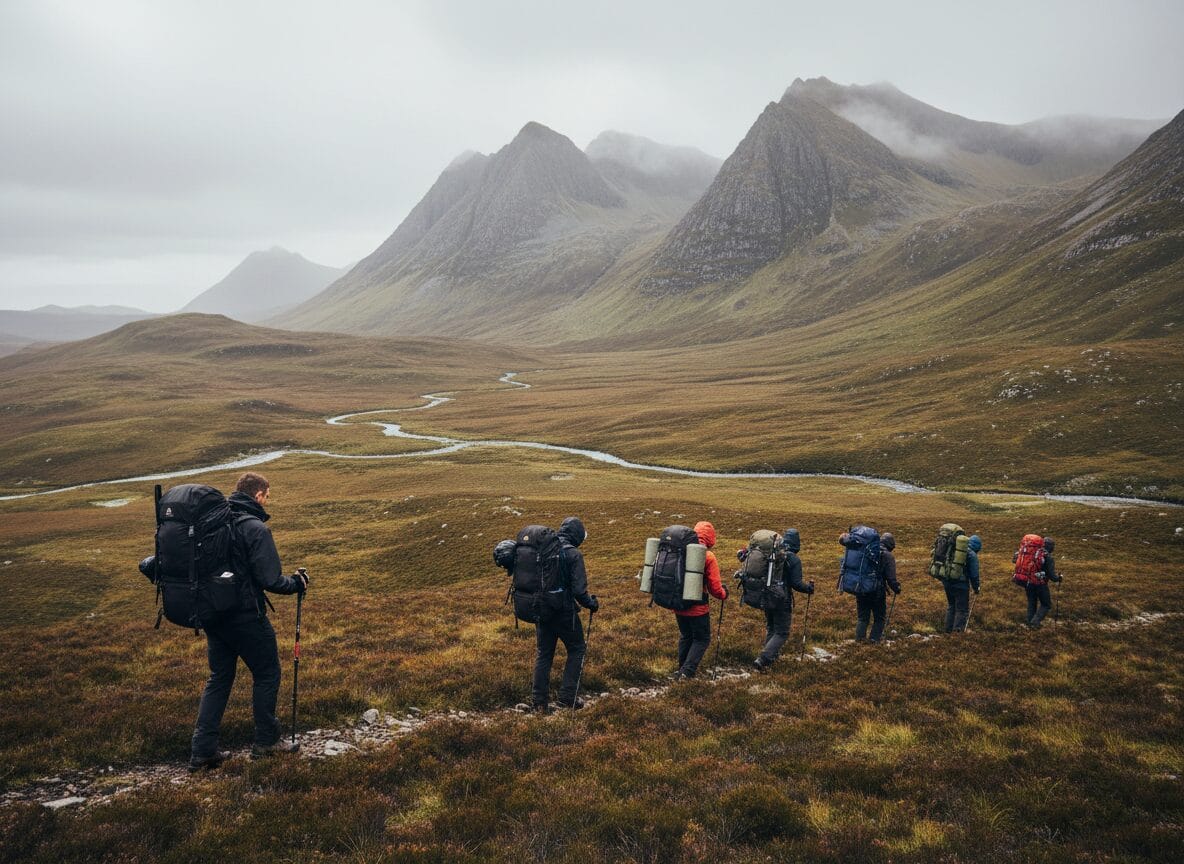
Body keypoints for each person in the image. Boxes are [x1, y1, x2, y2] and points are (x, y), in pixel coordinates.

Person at [142, 472, 308, 770]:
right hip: (244, 616)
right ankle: (267, 742)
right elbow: (270, 580)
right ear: (258, 495)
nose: (267, 500)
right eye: (267, 496)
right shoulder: (254, 528)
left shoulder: (213, 524)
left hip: (213, 616)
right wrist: (297, 583)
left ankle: (202, 750)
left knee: (219, 678)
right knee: (267, 673)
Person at [531, 516, 598, 712]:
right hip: (563, 612)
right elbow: (579, 591)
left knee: (544, 654)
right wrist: (591, 604)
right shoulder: (573, 554)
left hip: (541, 610)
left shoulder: (543, 550)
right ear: (577, 535)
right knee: (577, 649)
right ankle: (568, 698)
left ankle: (538, 702)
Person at [753, 528, 814, 670]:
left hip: (766, 594)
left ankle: (770, 656)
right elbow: (796, 584)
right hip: (781, 598)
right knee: (782, 632)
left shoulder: (773, 553)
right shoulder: (793, 558)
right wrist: (809, 589)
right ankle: (764, 659)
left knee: (772, 627)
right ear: (796, 543)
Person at [672, 521, 727, 679]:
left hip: (677, 604)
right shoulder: (708, 556)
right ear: (711, 538)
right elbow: (715, 589)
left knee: (686, 636)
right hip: (698, 607)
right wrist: (724, 594)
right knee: (702, 639)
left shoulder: (681, 550)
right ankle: (687, 672)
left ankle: (681, 669)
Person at [855, 531, 901, 643]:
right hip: (877, 592)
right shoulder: (888, 556)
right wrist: (896, 588)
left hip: (861, 588)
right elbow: (891, 578)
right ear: (890, 545)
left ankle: (859, 642)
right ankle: (873, 641)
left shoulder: (868, 550)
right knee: (879, 618)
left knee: (862, 617)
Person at [942, 534, 981, 632]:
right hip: (961, 585)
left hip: (947, 581)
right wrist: (976, 588)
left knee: (951, 606)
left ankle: (947, 631)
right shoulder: (972, 555)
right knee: (962, 609)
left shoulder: (955, 549)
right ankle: (957, 633)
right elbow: (974, 575)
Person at [1023, 536, 1061, 628]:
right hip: (1040, 584)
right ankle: (1035, 622)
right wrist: (1059, 578)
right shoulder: (1048, 557)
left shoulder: (1032, 553)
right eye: (1053, 546)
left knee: (1032, 602)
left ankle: (1029, 621)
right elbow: (1052, 576)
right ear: (1049, 546)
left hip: (1028, 582)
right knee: (1046, 604)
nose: (1053, 548)